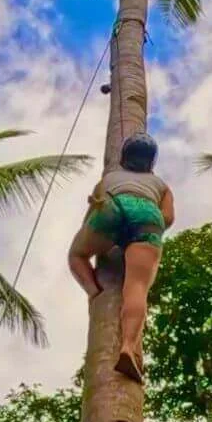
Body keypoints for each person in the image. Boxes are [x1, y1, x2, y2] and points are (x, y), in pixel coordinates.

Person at [68, 131, 174, 382]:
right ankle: (127, 346)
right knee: (136, 287)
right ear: (151, 162)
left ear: (125, 157)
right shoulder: (161, 185)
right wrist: (144, 234)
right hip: (148, 217)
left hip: (112, 207)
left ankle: (95, 293)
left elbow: (91, 214)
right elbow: (168, 218)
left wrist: (104, 237)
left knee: (76, 255)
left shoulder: (109, 177)